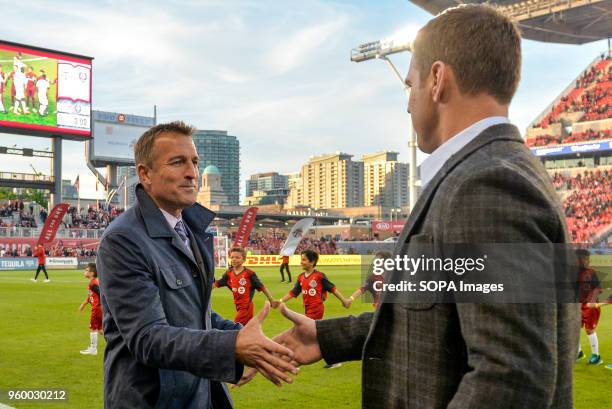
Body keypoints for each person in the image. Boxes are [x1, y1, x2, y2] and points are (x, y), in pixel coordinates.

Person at [255, 5, 580, 408]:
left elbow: (511, 377)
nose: (408, 103)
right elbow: (431, 310)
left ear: (438, 80)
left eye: (410, 86)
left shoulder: (486, 184)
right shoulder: (486, 171)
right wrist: (329, 336)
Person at [97, 121, 297, 409]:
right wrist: (232, 347)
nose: (191, 173)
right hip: (151, 401)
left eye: (194, 162)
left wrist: (244, 339)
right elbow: (147, 338)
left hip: (200, 394)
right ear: (145, 174)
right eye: (177, 162)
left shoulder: (192, 229)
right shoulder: (123, 239)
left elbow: (196, 313)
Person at [214, 247, 280, 325]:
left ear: (244, 260)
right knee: (245, 330)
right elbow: (216, 284)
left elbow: (262, 287)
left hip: (246, 308)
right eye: (232, 257)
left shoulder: (249, 274)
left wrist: (271, 300)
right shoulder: (229, 273)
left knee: (235, 329)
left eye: (237, 257)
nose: (234, 259)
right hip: (238, 307)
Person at [279, 249, 351, 320]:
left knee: (304, 328)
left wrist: (344, 300)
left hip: (317, 310)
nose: (301, 262)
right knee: (312, 330)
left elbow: (332, 289)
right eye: (301, 260)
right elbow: (293, 292)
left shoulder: (319, 276)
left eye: (304, 260)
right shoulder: (300, 277)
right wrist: (280, 301)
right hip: (307, 309)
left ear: (312, 262)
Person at [575, 249, 604, 365]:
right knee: (574, 329)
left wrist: (591, 301)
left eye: (587, 259)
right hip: (578, 305)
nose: (586, 261)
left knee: (589, 330)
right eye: (583, 259)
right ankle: (578, 352)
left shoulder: (591, 273)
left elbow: (598, 289)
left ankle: (596, 356)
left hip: (591, 306)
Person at [78, 262, 103, 355]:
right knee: (100, 330)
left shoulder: (93, 284)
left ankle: (93, 349)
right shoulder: (92, 283)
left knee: (93, 328)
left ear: (92, 273)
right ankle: (117, 343)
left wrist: (101, 305)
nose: (85, 272)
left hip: (97, 309)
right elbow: (91, 296)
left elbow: (101, 294)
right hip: (98, 308)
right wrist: (84, 303)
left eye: (86, 270)